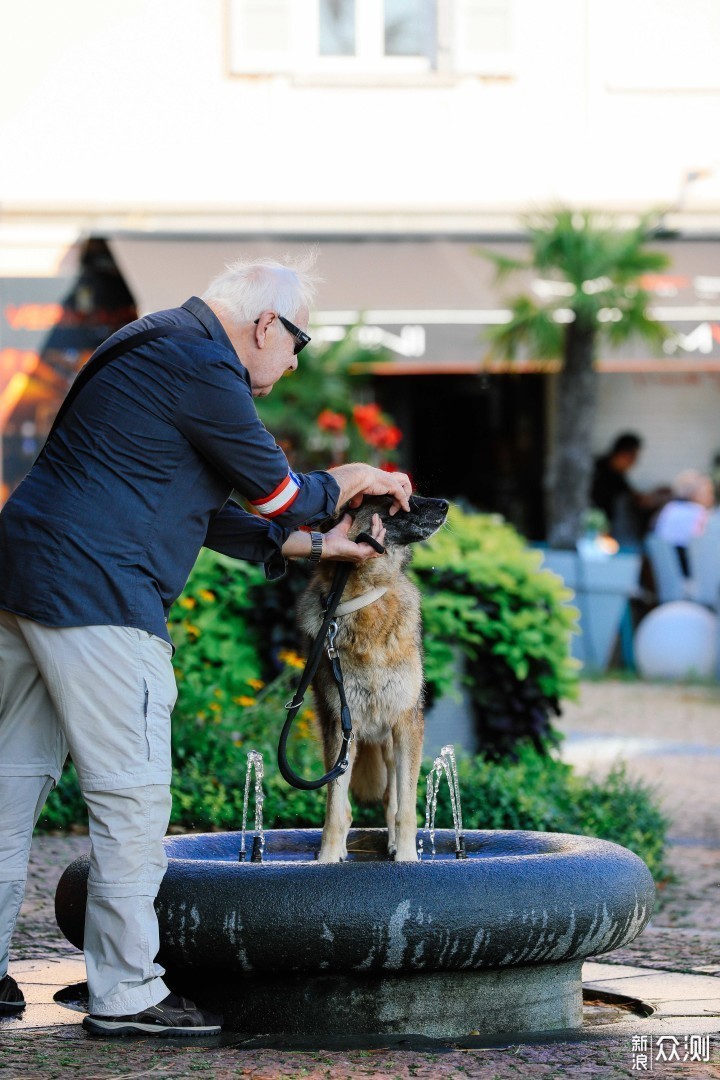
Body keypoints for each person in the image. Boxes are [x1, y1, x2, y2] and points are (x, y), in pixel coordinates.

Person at [0, 256, 413, 1037]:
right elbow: (283, 492)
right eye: (298, 346)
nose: (291, 367)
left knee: (6, 786)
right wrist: (357, 475)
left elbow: (191, 504)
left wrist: (307, 548)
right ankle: (127, 994)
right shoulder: (201, 362)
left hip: (23, 582)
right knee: (131, 797)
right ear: (266, 325)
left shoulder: (147, 345)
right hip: (100, 597)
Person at [590, 432, 666, 545]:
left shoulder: (617, 475)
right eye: (634, 457)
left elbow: (632, 495)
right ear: (624, 454)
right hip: (595, 530)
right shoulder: (598, 472)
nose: (635, 462)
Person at [653, 469, 714, 574]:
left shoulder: (669, 508)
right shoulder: (699, 512)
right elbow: (708, 545)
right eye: (709, 492)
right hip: (691, 573)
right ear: (695, 494)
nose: (712, 497)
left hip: (668, 574)